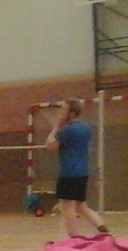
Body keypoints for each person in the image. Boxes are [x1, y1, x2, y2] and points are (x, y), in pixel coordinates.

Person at [44, 98, 111, 238]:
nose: (60, 113)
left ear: (72, 113)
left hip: (68, 173)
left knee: (67, 206)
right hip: (82, 172)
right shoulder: (85, 128)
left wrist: (56, 127)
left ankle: (73, 237)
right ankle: (102, 228)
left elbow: (49, 145)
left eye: (64, 110)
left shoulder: (66, 130)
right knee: (81, 206)